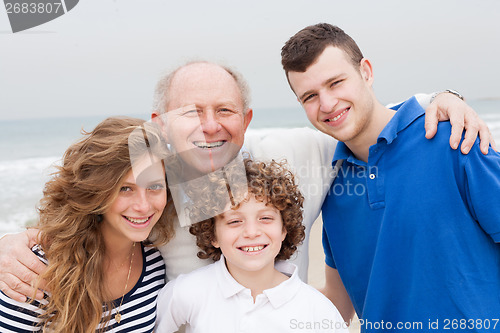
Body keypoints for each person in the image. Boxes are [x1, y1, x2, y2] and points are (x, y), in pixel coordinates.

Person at [0, 61, 494, 302]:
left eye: (225, 111)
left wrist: (440, 97)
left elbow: (370, 125)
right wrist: (11, 239)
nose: (211, 126)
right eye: (192, 112)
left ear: (248, 118)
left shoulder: (296, 157)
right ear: (158, 122)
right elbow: (76, 220)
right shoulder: (148, 195)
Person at [281, 23, 500, 331]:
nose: (327, 104)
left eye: (336, 83)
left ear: (366, 72)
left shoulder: (451, 137)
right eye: (310, 96)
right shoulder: (331, 185)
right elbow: (338, 304)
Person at [0, 117, 175, 332]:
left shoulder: (156, 262)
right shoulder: (36, 270)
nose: (143, 205)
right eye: (125, 188)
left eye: (155, 186)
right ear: (96, 192)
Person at [156, 158, 347, 333]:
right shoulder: (188, 291)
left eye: (265, 218)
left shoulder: (316, 308)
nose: (251, 232)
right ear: (213, 234)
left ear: (284, 229)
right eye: (234, 221)